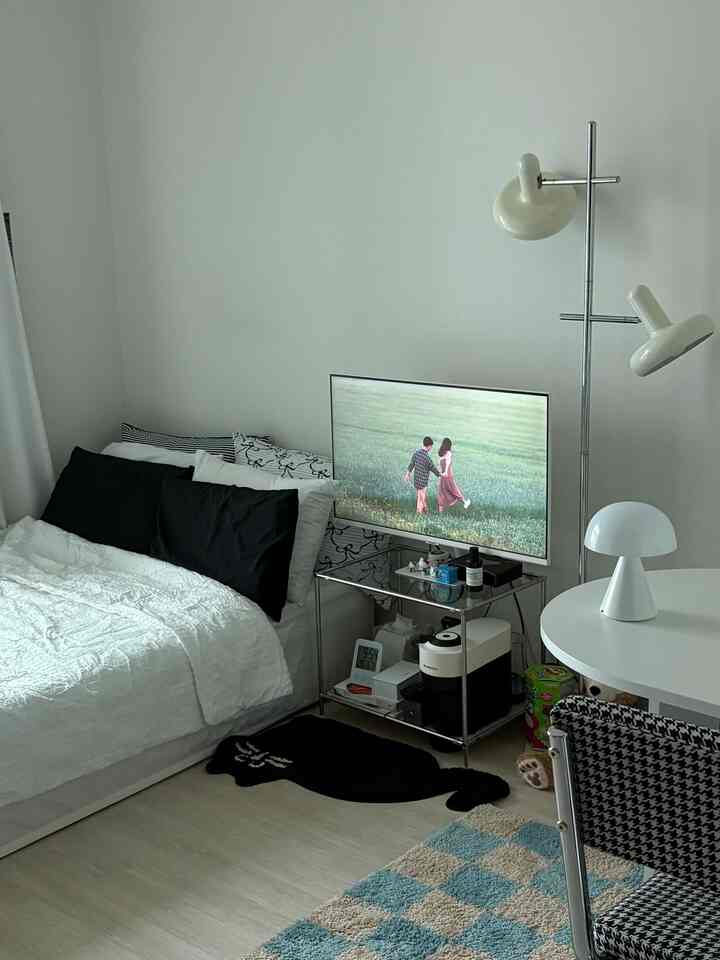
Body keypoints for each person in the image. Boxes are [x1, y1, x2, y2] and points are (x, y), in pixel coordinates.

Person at [404, 436, 440, 514]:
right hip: (423, 481)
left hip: (416, 480)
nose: (431, 448)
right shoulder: (427, 458)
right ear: (429, 446)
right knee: (421, 497)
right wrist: (440, 475)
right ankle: (421, 512)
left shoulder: (416, 453)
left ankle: (420, 511)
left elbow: (411, 464)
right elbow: (433, 468)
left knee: (419, 497)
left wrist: (407, 474)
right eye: (431, 446)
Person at [437, 438, 471, 512]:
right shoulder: (448, 453)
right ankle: (465, 502)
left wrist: (440, 474)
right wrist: (445, 472)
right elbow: (448, 462)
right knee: (453, 490)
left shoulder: (441, 454)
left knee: (441, 492)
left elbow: (440, 465)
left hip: (442, 476)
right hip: (448, 475)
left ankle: (440, 513)